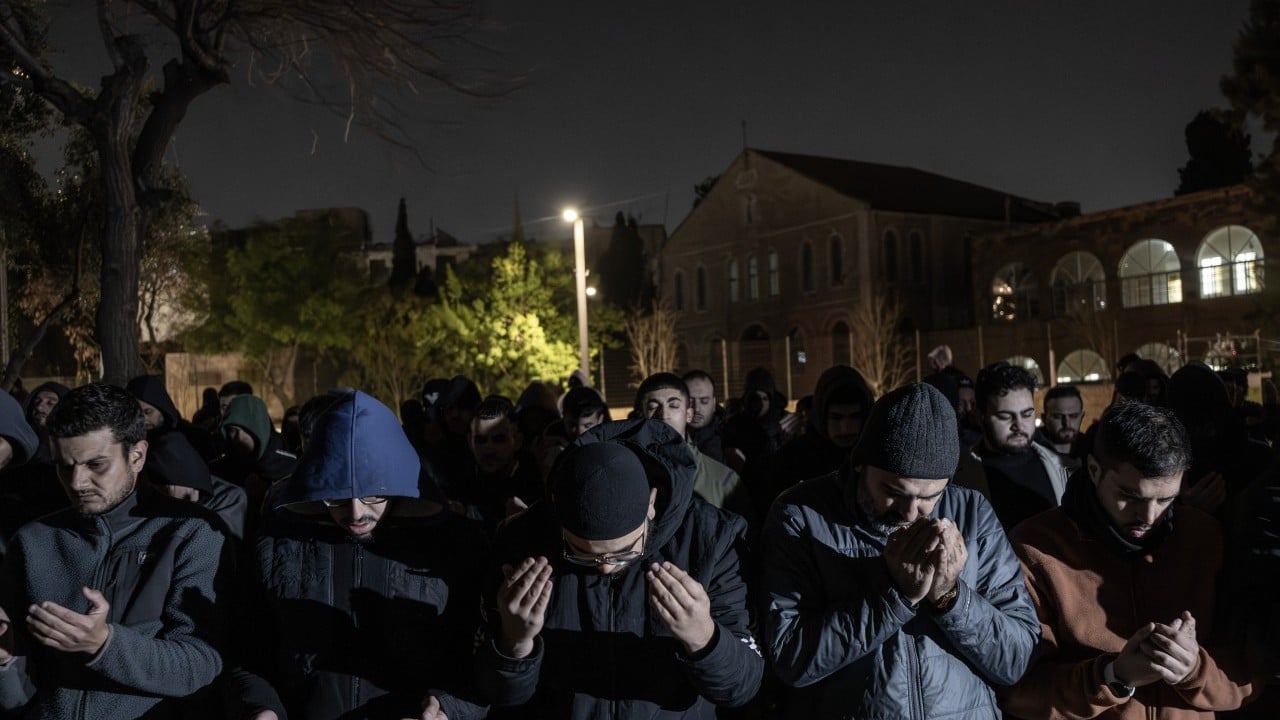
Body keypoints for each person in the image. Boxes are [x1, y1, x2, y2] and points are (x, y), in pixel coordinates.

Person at [760, 383, 1038, 718]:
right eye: (893, 491)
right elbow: (790, 658)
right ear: (860, 463)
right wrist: (895, 599)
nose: (910, 512)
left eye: (929, 497)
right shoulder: (801, 516)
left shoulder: (972, 513)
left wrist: (950, 598)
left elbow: (1017, 660)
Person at [476, 419, 763, 718]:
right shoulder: (522, 540)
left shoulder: (712, 539)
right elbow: (492, 694)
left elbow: (742, 688)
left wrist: (705, 638)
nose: (605, 569)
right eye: (583, 555)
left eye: (625, 553)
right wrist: (515, 643)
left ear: (651, 503)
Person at [239, 391, 488, 720]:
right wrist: (262, 706)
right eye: (336, 496)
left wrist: (449, 708)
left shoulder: (453, 546)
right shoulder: (277, 545)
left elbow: (480, 668)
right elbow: (249, 650)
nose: (356, 512)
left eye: (373, 494)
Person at [1000, 401, 1257, 719]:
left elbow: (1251, 672)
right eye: (1130, 496)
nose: (1148, 516)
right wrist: (1113, 677)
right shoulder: (1035, 548)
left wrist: (1195, 670)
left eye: (1166, 499)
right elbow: (1018, 690)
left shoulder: (1205, 539)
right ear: (1094, 470)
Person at [0, 383, 228, 718]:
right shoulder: (32, 541)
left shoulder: (191, 533)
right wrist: (6, 660)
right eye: (65, 466)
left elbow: (202, 663)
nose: (77, 482)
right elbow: (20, 690)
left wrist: (105, 645)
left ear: (137, 456)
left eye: (96, 464)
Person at [953, 362, 1072, 530]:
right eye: (1005, 416)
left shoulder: (1062, 468)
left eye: (1027, 414)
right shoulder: (959, 477)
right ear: (980, 416)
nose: (1019, 425)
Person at [634, 373, 742, 509]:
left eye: (674, 406)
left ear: (688, 414)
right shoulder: (626, 473)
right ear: (640, 415)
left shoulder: (724, 480)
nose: (664, 414)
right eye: (653, 407)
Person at [459, 396, 545, 535]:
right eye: (480, 440)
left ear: (517, 441)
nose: (488, 449)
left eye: (499, 439)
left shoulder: (538, 486)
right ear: (470, 441)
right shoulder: (460, 483)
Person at [1035, 384, 1086, 467]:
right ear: (1044, 418)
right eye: (1058, 416)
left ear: (1081, 416)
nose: (1067, 423)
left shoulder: (1091, 448)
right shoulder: (1030, 450)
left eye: (1073, 416)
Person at [682, 369, 727, 463]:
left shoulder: (730, 439)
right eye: (690, 402)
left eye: (704, 401)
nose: (697, 408)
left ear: (714, 404)